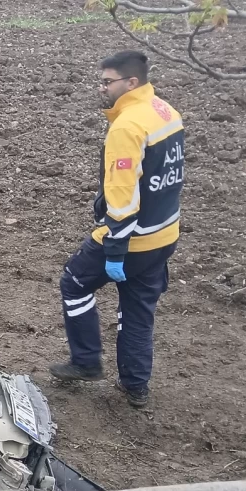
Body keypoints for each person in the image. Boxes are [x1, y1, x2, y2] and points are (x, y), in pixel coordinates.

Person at [49, 50, 184, 409]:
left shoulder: (127, 127)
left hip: (132, 238)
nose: (102, 88)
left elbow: (122, 196)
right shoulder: (166, 112)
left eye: (108, 82)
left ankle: (86, 361)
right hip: (164, 235)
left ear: (131, 82)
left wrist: (115, 249)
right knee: (137, 309)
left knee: (74, 282)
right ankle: (135, 385)